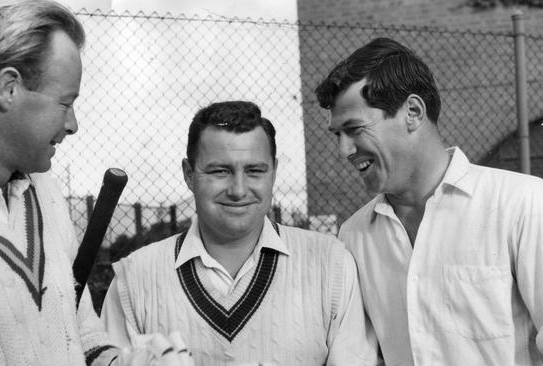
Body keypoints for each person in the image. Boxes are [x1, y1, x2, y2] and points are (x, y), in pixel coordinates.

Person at [0, 1, 192, 365]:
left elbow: (80, 337)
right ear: (9, 88)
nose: (73, 124)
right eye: (65, 103)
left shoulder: (42, 189)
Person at [315, 37, 543, 365]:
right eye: (337, 134)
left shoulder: (523, 204)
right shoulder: (353, 237)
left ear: (413, 112)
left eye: (354, 129)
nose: (344, 151)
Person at [100, 100, 381, 365]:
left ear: (273, 172)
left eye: (255, 171)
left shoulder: (330, 266)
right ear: (188, 174)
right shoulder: (135, 280)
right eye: (220, 171)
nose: (238, 190)